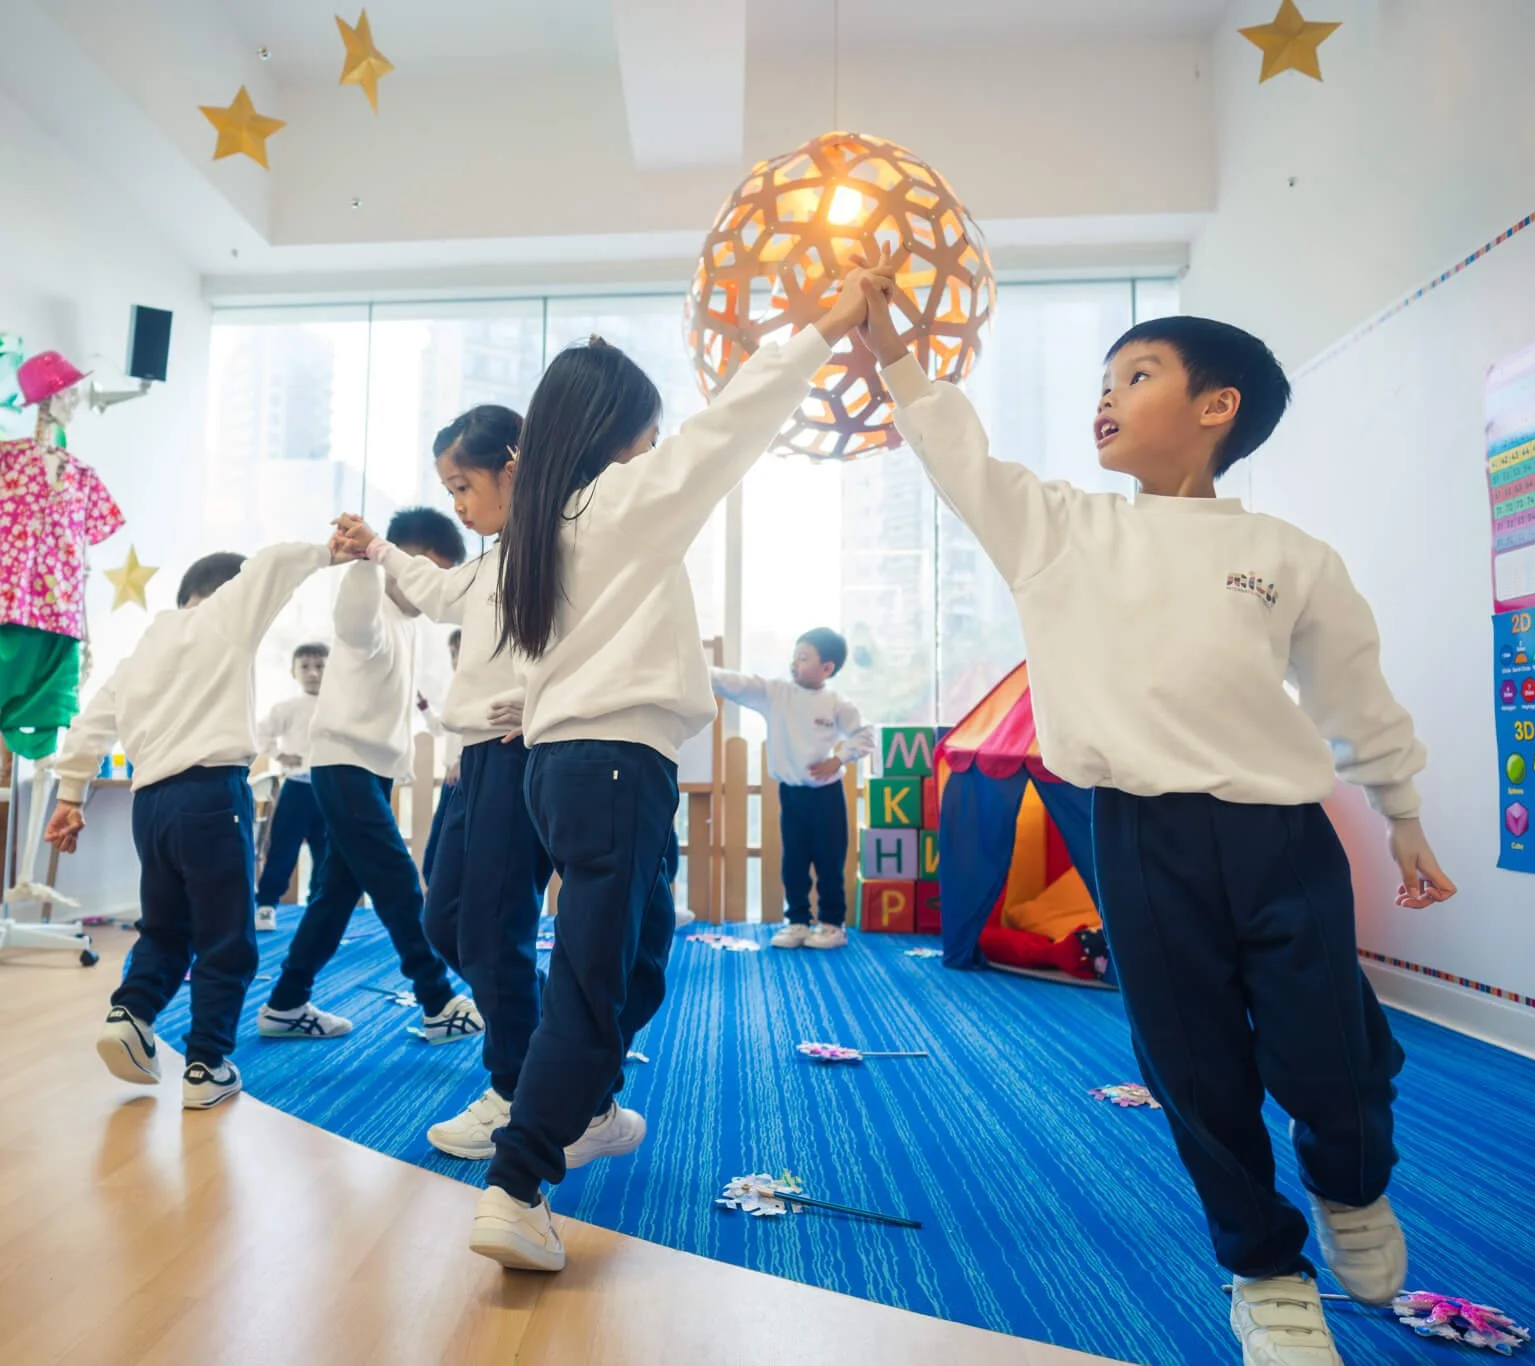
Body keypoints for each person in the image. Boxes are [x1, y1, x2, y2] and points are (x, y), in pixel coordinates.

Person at [857, 285, 1454, 1366]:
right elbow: (959, 457)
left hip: (1280, 836)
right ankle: (1264, 1267)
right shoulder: (1060, 532)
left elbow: (1350, 693)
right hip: (1135, 835)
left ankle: (1350, 1187)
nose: (1105, 398)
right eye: (1100, 383)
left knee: (1334, 1053)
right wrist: (895, 356)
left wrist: (1399, 810)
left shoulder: (1285, 552)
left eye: (1136, 377)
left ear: (1217, 405)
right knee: (1190, 1062)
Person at [466, 259, 887, 1272]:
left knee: (639, 953)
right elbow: (734, 421)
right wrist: (825, 325)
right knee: (590, 976)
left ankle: (585, 1104)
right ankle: (517, 1180)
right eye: (646, 430)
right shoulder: (617, 501)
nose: (658, 446)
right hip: (608, 766)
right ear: (618, 433)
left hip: (578, 764)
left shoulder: (544, 527)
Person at [45, 538, 349, 1109]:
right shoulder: (227, 614)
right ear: (225, 592)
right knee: (226, 937)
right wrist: (331, 551)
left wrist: (70, 796)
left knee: (166, 927)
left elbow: (90, 725)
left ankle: (129, 1013)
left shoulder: (141, 653)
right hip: (211, 795)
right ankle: (207, 1064)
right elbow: (275, 562)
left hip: (150, 806)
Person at [339, 402, 559, 1163]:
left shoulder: (550, 548)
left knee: (494, 929)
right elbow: (437, 593)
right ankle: (534, 1047)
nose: (459, 507)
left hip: (518, 755)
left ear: (513, 468)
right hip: (480, 756)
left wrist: (536, 707)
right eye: (449, 490)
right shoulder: (493, 558)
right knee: (446, 924)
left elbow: (573, 642)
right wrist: (375, 548)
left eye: (464, 487)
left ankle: (517, 1091)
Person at [261, 507, 485, 1046]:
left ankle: (286, 1003)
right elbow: (353, 615)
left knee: (336, 895)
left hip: (372, 772)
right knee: (400, 885)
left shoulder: (408, 626)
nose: (431, 588)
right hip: (343, 768)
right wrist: (365, 556)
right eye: (425, 569)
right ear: (395, 560)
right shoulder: (371, 609)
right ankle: (437, 1002)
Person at [712, 627, 874, 949]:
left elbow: (866, 736)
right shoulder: (776, 694)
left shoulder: (836, 703)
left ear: (826, 668)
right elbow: (737, 683)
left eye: (804, 657)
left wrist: (838, 759)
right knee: (794, 861)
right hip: (792, 793)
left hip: (827, 795)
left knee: (829, 861)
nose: (795, 663)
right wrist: (700, 669)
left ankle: (832, 924)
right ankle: (797, 921)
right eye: (795, 656)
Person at [254, 643, 329, 931]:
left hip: (328, 790)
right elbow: (261, 733)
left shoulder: (340, 707)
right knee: (282, 851)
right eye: (305, 667)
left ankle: (318, 908)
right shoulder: (288, 708)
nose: (313, 673)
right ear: (293, 672)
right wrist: (279, 755)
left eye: (320, 666)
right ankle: (266, 906)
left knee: (326, 854)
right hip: (297, 788)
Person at [418, 628, 463, 886]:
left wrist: (462, 760)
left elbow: (476, 732)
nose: (457, 660)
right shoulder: (455, 692)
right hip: (452, 779)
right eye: (453, 654)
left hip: (461, 777)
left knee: (442, 850)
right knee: (437, 849)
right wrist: (422, 705)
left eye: (463, 653)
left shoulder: (477, 691)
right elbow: (440, 727)